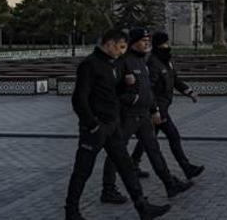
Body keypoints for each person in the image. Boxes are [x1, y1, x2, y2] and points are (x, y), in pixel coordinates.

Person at [64, 28, 170, 220]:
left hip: (113, 126)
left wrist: (126, 84)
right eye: (120, 47)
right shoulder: (90, 65)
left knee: (126, 166)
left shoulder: (117, 63)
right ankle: (71, 212)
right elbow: (79, 99)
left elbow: (115, 91)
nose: (122, 51)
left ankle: (142, 207)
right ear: (109, 43)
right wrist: (92, 124)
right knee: (82, 170)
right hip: (95, 128)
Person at [101, 28, 192, 204]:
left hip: (143, 116)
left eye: (148, 41)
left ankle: (169, 184)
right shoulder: (122, 62)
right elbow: (112, 90)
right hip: (127, 116)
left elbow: (148, 90)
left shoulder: (142, 61)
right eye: (143, 41)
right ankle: (108, 190)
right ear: (134, 42)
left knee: (154, 150)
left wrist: (154, 110)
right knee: (117, 152)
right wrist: (132, 99)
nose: (147, 44)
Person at [131, 32, 205, 179]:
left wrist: (188, 91)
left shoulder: (166, 61)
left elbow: (175, 79)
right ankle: (186, 168)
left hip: (162, 107)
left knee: (147, 139)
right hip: (158, 108)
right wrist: (155, 110)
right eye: (165, 43)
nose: (167, 46)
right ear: (159, 44)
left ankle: (133, 164)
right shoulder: (153, 62)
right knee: (174, 137)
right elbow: (149, 88)